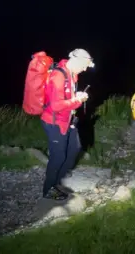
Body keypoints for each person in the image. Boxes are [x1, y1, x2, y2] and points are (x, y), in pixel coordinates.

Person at [41, 49, 94, 200]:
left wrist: (76, 96)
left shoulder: (71, 74)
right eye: (85, 65)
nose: (85, 69)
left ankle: (57, 180)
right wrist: (78, 101)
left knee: (74, 148)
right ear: (78, 61)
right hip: (54, 122)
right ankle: (48, 190)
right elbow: (56, 105)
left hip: (66, 120)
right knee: (58, 156)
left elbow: (65, 97)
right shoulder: (59, 75)